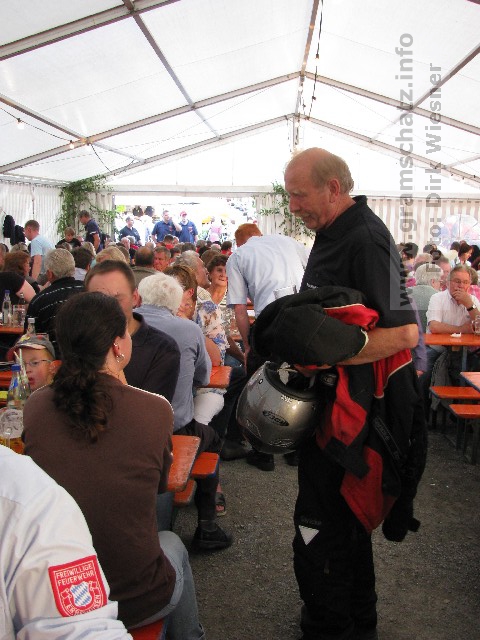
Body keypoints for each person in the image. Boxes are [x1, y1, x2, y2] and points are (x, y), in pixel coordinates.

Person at [282, 147, 426, 640]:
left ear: (333, 188)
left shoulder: (366, 239)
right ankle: (353, 624)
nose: (293, 206)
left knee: (323, 527)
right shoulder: (333, 231)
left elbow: (405, 333)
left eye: (299, 195)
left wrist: (327, 354)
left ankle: (332, 625)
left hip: (356, 419)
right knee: (340, 528)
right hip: (334, 410)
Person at [24, 292, 205, 639]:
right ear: (117, 345)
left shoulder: (36, 407)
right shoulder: (154, 409)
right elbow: (160, 486)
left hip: (60, 595)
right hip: (135, 598)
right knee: (171, 541)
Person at [136, 273, 232, 550]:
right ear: (177, 301)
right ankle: (207, 526)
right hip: (174, 428)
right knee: (212, 438)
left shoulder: (123, 325)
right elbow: (204, 377)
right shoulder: (188, 329)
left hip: (127, 424)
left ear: (139, 297)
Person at [0, 447, 133, 639]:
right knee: (170, 541)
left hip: (88, 594)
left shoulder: (35, 432)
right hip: (140, 596)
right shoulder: (32, 498)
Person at [226, 222, 309, 470]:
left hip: (270, 320)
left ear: (239, 241)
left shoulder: (239, 255)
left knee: (261, 382)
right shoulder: (291, 243)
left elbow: (240, 307)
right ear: (259, 234)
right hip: (304, 315)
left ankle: (263, 454)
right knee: (302, 378)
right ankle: (296, 450)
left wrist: (248, 345)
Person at [85, 260, 180, 404]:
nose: (107, 308)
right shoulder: (79, 340)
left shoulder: (162, 348)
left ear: (135, 298)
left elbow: (151, 411)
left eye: (116, 299)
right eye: (98, 300)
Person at [25, 248, 84, 356]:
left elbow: (29, 336)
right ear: (73, 269)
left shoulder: (40, 300)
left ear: (49, 274)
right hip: (88, 357)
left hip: (53, 358)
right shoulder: (88, 289)